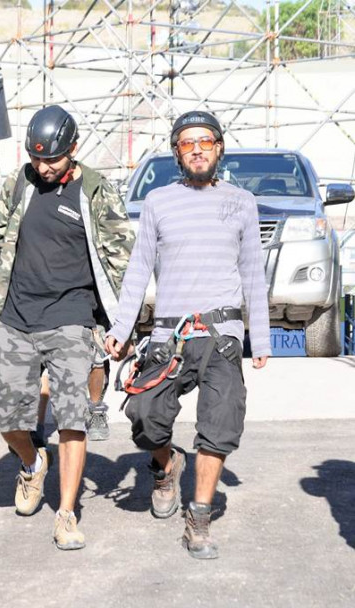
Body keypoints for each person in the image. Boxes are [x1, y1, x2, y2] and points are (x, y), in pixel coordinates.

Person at [105, 110, 270, 560]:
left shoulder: (242, 202)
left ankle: (199, 518)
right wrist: (122, 329)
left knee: (219, 427)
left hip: (222, 334)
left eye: (205, 141)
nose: (197, 148)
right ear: (177, 152)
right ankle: (166, 464)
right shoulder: (158, 201)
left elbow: (252, 270)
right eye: (186, 142)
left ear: (219, 147)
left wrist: (262, 337)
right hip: (168, 335)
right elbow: (138, 270)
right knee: (143, 415)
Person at [0, 105, 134, 549]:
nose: (43, 167)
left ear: (73, 150)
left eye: (53, 160)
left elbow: (122, 259)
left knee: (72, 418)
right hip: (17, 318)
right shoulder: (18, 184)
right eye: (37, 158)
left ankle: (66, 514)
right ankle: (31, 464)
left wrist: (126, 323)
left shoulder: (96, 190)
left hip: (72, 318)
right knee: (6, 414)